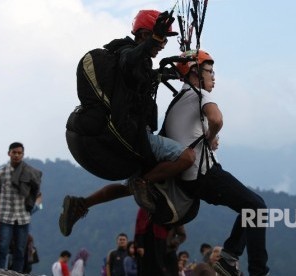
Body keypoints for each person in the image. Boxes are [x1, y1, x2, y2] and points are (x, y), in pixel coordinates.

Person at [59, 8, 195, 237]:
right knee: (187, 158)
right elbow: (128, 61)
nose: (162, 45)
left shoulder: (139, 64)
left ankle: (81, 204)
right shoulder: (127, 52)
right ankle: (143, 183)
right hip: (131, 135)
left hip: (119, 137)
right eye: (160, 38)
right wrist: (153, 40)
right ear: (144, 34)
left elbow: (133, 79)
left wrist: (161, 75)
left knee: (129, 185)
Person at [163, 50, 269, 276]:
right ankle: (254, 270)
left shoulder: (178, 102)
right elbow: (216, 119)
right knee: (257, 208)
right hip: (205, 173)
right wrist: (210, 137)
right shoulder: (200, 94)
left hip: (190, 180)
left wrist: (205, 138)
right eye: (210, 71)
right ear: (195, 73)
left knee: (250, 207)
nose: (214, 77)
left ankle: (229, 258)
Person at [0, 142, 42, 272]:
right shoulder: (1, 173)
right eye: (14, 152)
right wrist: (2, 209)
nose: (16, 155)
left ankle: (16, 274)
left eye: (19, 153)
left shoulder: (29, 172)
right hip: (6, 217)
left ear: (23, 155)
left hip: (23, 217)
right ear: (9, 153)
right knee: (3, 248)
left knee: (20, 250)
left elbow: (35, 191)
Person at [135, 207, 186, 276]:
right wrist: (140, 245)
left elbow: (182, 235)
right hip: (150, 251)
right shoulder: (145, 209)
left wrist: (171, 242)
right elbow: (140, 228)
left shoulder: (173, 212)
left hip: (168, 252)